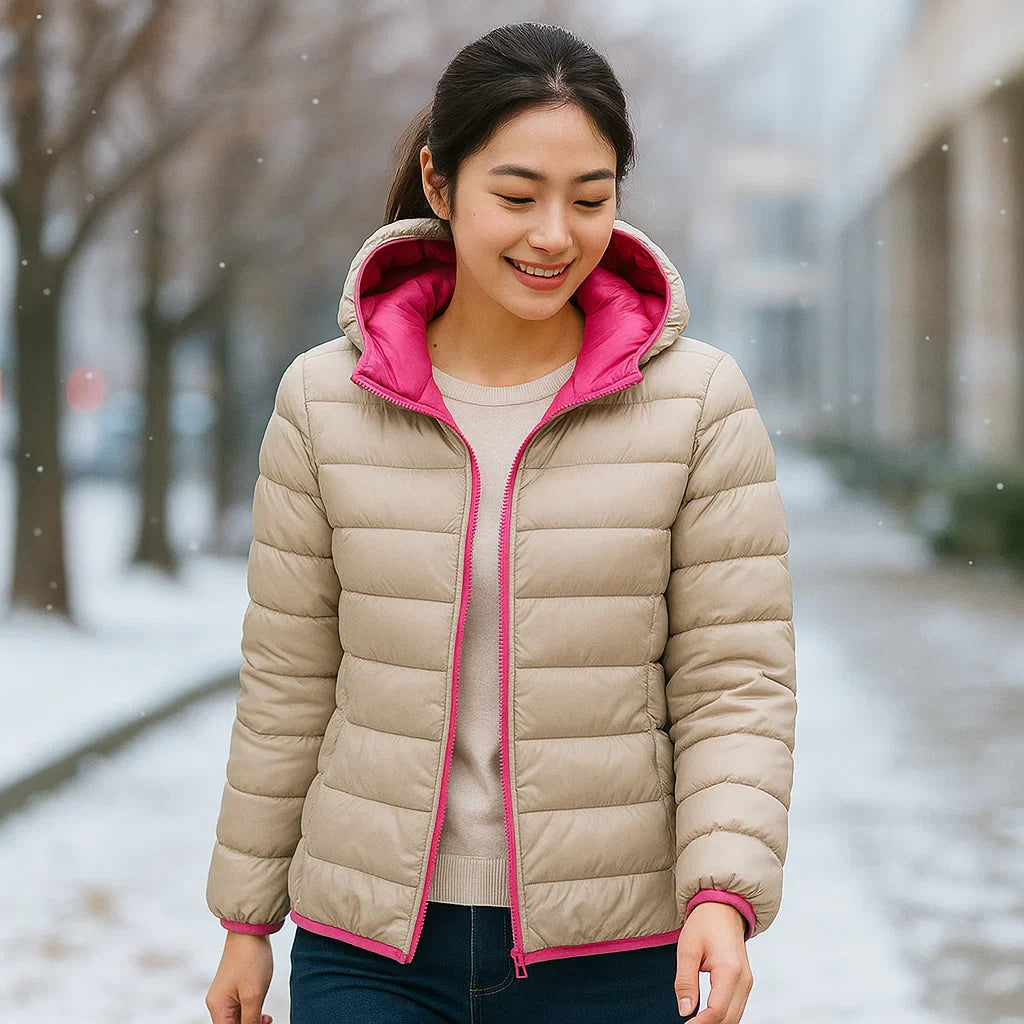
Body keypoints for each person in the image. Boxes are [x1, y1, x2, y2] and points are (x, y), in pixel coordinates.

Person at [204, 21, 797, 1024]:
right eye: (517, 196)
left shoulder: (697, 404)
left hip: (613, 949)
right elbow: (290, 677)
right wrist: (245, 921)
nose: (554, 233)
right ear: (439, 184)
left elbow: (731, 676)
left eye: (591, 198)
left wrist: (723, 891)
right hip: (370, 945)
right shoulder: (324, 399)